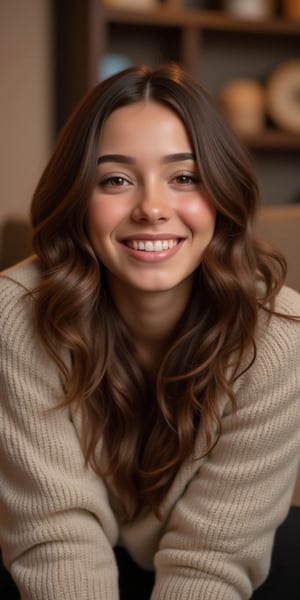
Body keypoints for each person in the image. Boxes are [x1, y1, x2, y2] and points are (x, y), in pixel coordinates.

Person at [0, 63, 299, 600]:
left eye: (184, 177)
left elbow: (213, 557)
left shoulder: (279, 334)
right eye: (115, 179)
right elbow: (55, 540)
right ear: (77, 197)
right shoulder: (15, 314)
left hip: (215, 557)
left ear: (222, 192)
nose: (152, 209)